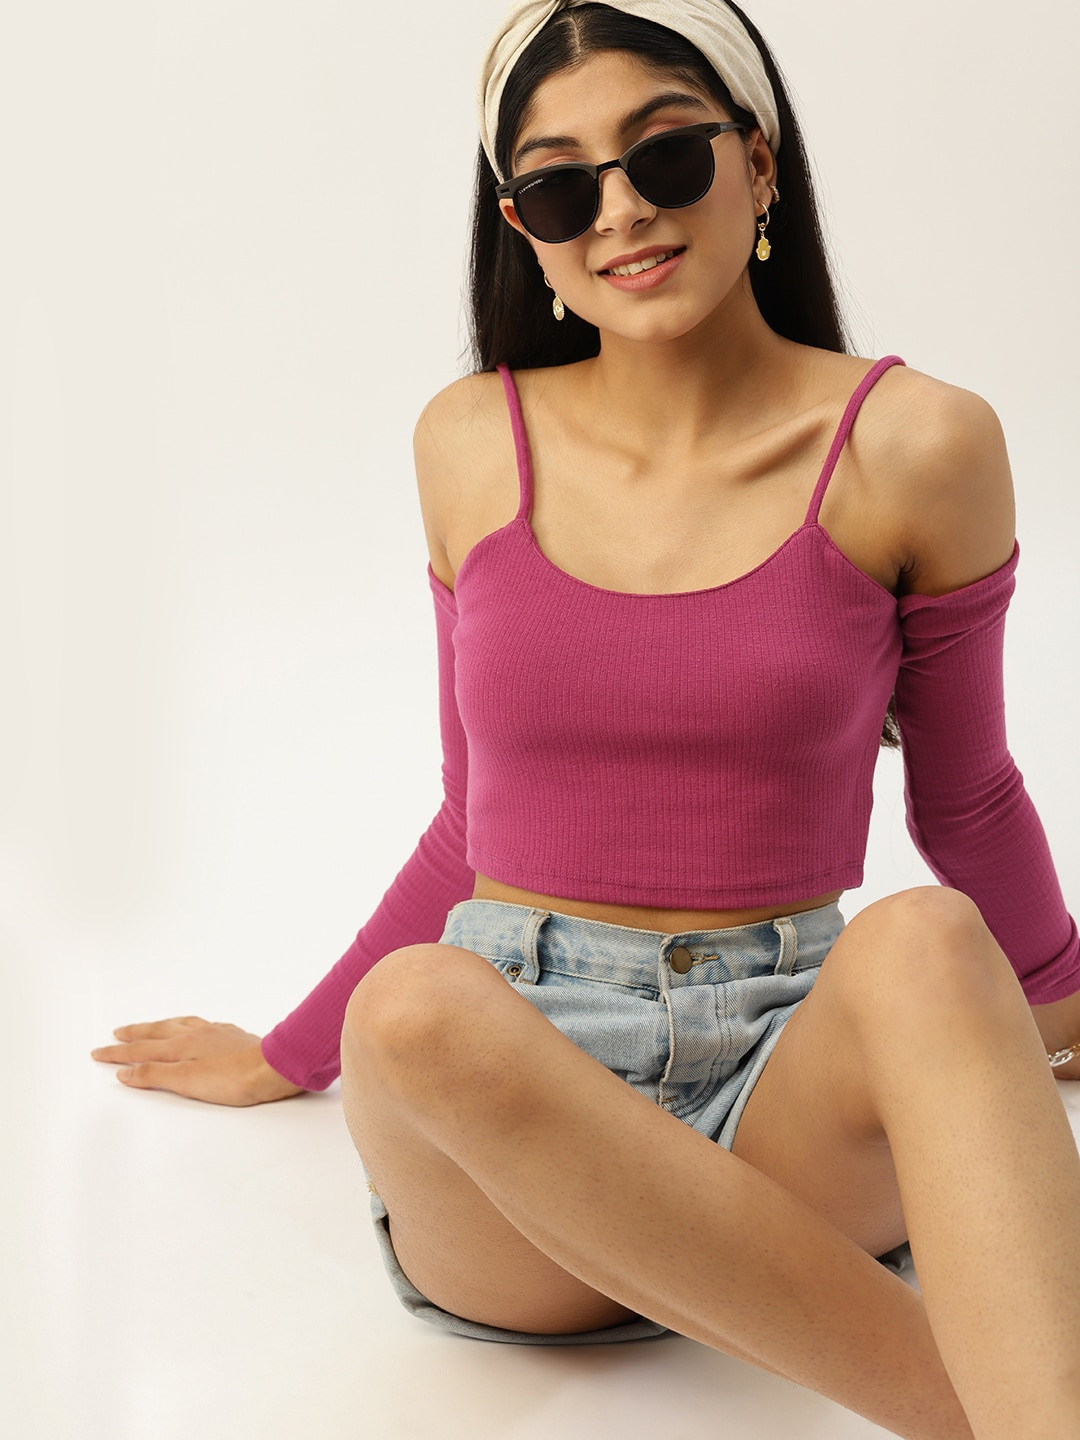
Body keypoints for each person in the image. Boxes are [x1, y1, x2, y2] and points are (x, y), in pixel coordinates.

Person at [91, 2, 1080, 1435]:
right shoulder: (469, 441)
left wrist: (1055, 1000)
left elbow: (968, 793)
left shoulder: (917, 443)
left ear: (757, 161)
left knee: (928, 936)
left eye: (665, 155)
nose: (619, 211)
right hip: (515, 1143)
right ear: (524, 228)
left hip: (782, 1084)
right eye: (560, 185)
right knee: (413, 1007)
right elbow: (469, 817)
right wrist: (285, 1053)